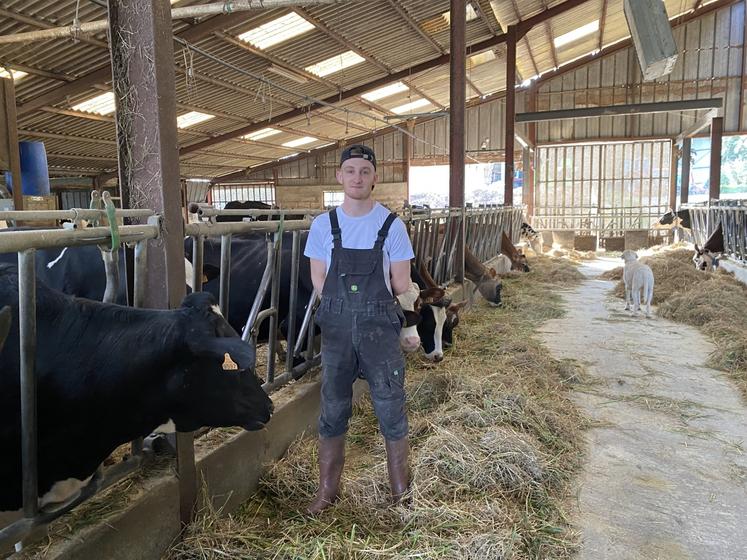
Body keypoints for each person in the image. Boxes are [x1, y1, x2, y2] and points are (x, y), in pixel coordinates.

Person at [303, 144, 415, 514]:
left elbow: (322, 281)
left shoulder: (391, 225)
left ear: (374, 178)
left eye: (364, 172)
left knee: (385, 409)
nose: (357, 178)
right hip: (339, 331)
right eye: (350, 171)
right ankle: (330, 492)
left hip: (376, 330)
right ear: (339, 176)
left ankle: (399, 494)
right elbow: (400, 284)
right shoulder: (324, 225)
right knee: (343, 409)